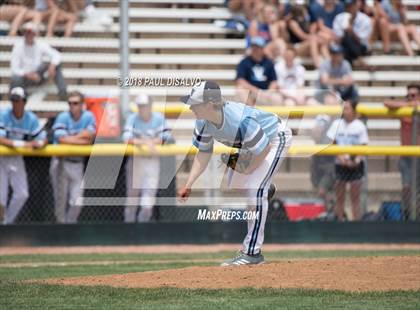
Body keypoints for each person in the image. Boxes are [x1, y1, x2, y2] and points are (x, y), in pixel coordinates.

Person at [177, 81, 292, 266]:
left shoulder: (239, 120)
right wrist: (188, 184)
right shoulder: (202, 122)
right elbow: (204, 153)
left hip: (275, 137)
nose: (190, 107)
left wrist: (249, 171)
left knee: (254, 191)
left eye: (194, 103)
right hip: (250, 146)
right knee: (239, 185)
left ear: (209, 104)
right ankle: (266, 186)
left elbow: (264, 149)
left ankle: (252, 253)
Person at [0, 87, 47, 225]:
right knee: (1, 199)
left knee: (22, 194)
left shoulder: (31, 118)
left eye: (18, 100)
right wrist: (23, 144)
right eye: (13, 100)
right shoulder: (4, 114)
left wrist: (37, 143)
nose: (15, 103)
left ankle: (6, 223)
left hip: (16, 157)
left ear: (24, 102)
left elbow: (42, 139)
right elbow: (1, 139)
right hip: (2, 157)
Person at [123, 94, 171, 223]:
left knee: (148, 201)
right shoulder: (132, 118)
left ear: (150, 106)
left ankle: (141, 229)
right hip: (136, 161)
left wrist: (151, 142)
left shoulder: (158, 118)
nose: (142, 109)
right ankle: (129, 229)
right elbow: (126, 139)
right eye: (140, 106)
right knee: (132, 198)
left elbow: (166, 137)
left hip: (152, 161)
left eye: (144, 106)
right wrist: (146, 142)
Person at [50, 91, 96, 224]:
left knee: (77, 202)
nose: (72, 106)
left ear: (82, 104)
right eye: (70, 103)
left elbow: (90, 136)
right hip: (60, 162)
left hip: (78, 163)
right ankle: (60, 231)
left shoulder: (88, 116)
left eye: (75, 103)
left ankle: (69, 226)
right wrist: (81, 139)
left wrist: (71, 138)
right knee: (60, 202)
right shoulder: (63, 117)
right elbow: (61, 139)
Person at [327, 100, 369, 221]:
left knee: (355, 197)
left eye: (347, 108)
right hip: (340, 164)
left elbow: (364, 146)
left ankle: (356, 224)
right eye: (343, 108)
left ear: (353, 111)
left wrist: (355, 161)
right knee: (339, 197)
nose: (344, 111)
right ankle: (339, 222)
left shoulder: (359, 126)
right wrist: (342, 159)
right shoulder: (337, 124)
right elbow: (332, 143)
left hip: (356, 165)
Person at [384, 84, 420, 220]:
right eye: (408, 95)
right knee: (407, 188)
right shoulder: (404, 108)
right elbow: (386, 103)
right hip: (406, 157)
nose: (410, 98)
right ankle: (407, 215)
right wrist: (408, 104)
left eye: (413, 95)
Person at [10, 22, 67, 100]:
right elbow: (15, 69)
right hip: (25, 78)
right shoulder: (18, 46)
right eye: (27, 32)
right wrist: (28, 74)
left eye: (31, 32)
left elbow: (56, 55)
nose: (29, 34)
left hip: (39, 75)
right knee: (16, 78)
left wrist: (52, 66)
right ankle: (18, 99)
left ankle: (63, 93)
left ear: (34, 34)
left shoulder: (40, 44)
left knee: (55, 65)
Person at [236, 36, 281, 106]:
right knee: (240, 90)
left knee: (277, 98)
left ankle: (274, 116)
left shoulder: (268, 62)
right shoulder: (244, 62)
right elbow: (240, 80)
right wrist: (255, 90)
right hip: (251, 91)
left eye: (257, 47)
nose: (255, 49)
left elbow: (274, 81)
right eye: (253, 47)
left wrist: (269, 92)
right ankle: (251, 114)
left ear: (262, 49)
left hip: (265, 92)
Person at [333, 0, 372, 64]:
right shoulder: (339, 18)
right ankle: (358, 58)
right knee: (345, 44)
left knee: (347, 40)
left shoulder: (365, 19)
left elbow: (363, 41)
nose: (350, 8)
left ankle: (356, 58)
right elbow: (338, 39)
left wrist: (352, 32)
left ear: (356, 6)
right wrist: (346, 31)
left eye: (352, 6)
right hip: (345, 46)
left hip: (360, 47)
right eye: (348, 6)